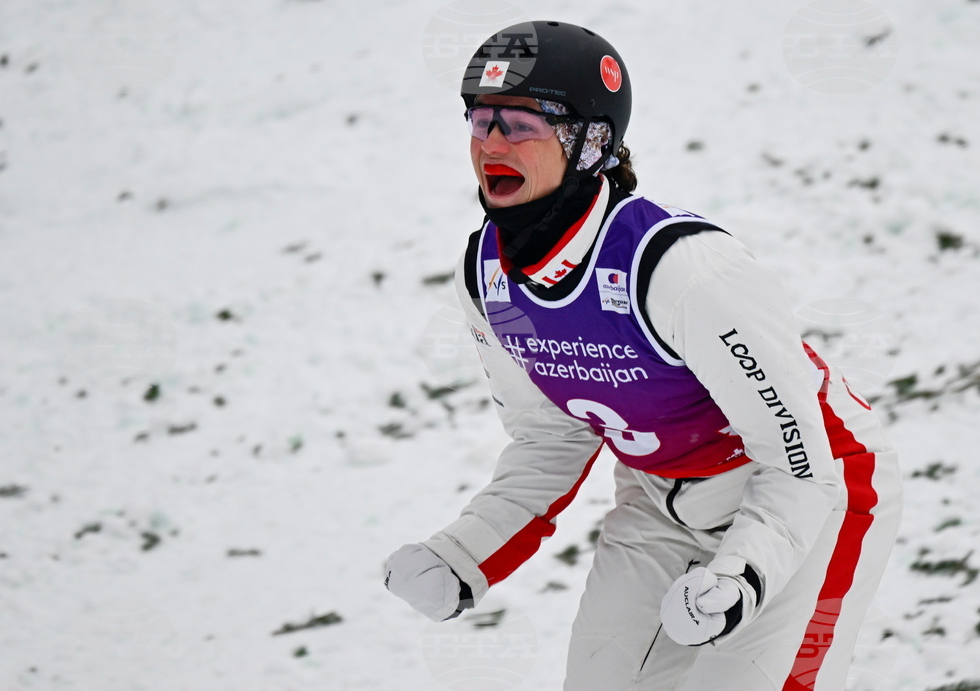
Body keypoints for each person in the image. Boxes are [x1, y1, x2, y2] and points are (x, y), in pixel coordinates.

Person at [384, 20, 901, 690]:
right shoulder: (488, 277)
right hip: (657, 501)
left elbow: (802, 464)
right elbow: (552, 438)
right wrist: (461, 553)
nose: (490, 144)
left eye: (521, 124)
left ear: (592, 140)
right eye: (480, 121)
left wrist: (742, 575)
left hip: (812, 491)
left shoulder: (681, 270)